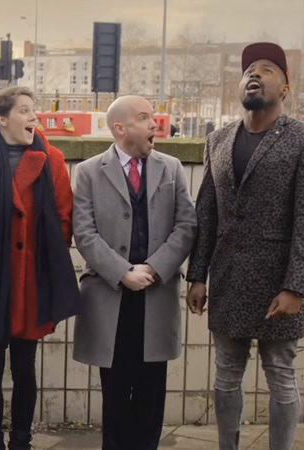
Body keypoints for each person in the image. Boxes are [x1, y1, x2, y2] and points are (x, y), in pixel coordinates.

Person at [186, 42, 304, 450]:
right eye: (250, 69)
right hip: (229, 278)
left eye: (268, 69)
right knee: (226, 373)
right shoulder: (218, 140)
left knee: (281, 374)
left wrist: (296, 287)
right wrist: (197, 274)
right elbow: (207, 213)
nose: (255, 74)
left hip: (278, 282)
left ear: (285, 87)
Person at [0, 86, 80, 450]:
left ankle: (21, 441)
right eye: (24, 111)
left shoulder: (51, 158)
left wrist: (46, 261)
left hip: (30, 280)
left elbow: (63, 218)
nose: (33, 117)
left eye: (34, 111)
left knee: (25, 367)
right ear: (2, 118)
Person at [70, 95, 197, 450]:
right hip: (111, 299)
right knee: (114, 393)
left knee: (151, 393)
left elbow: (186, 225)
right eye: (144, 118)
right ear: (120, 128)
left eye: (153, 116)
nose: (154, 123)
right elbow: (85, 233)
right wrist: (123, 272)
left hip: (156, 298)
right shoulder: (90, 172)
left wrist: (155, 269)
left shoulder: (171, 168)